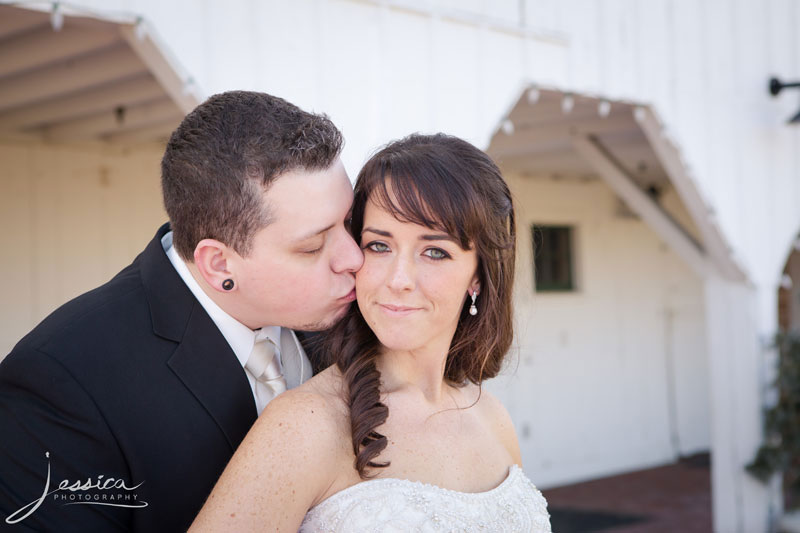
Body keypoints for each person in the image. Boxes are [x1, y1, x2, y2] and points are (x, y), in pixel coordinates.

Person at [0, 91, 363, 532]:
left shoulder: (361, 314)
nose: (355, 258)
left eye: (350, 223)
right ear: (219, 263)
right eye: (312, 246)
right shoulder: (62, 382)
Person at [190, 133, 553, 531]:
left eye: (435, 252)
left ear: (478, 277)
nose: (399, 279)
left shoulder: (493, 417)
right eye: (379, 245)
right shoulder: (304, 425)